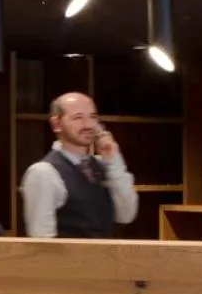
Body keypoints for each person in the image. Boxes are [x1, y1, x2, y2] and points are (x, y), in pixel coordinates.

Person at [20, 92, 137, 239]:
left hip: (106, 253)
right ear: (57, 124)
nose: (88, 125)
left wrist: (114, 160)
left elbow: (126, 216)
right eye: (78, 118)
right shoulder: (43, 172)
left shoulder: (103, 166)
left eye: (92, 117)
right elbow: (41, 240)